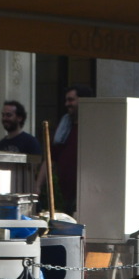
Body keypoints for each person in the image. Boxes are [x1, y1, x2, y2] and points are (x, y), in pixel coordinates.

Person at [51, 84, 94, 212]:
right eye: (66, 100)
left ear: (83, 100)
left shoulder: (94, 126)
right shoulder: (65, 126)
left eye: (71, 100)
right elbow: (52, 157)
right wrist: (38, 185)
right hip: (65, 192)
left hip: (86, 191)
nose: (67, 104)